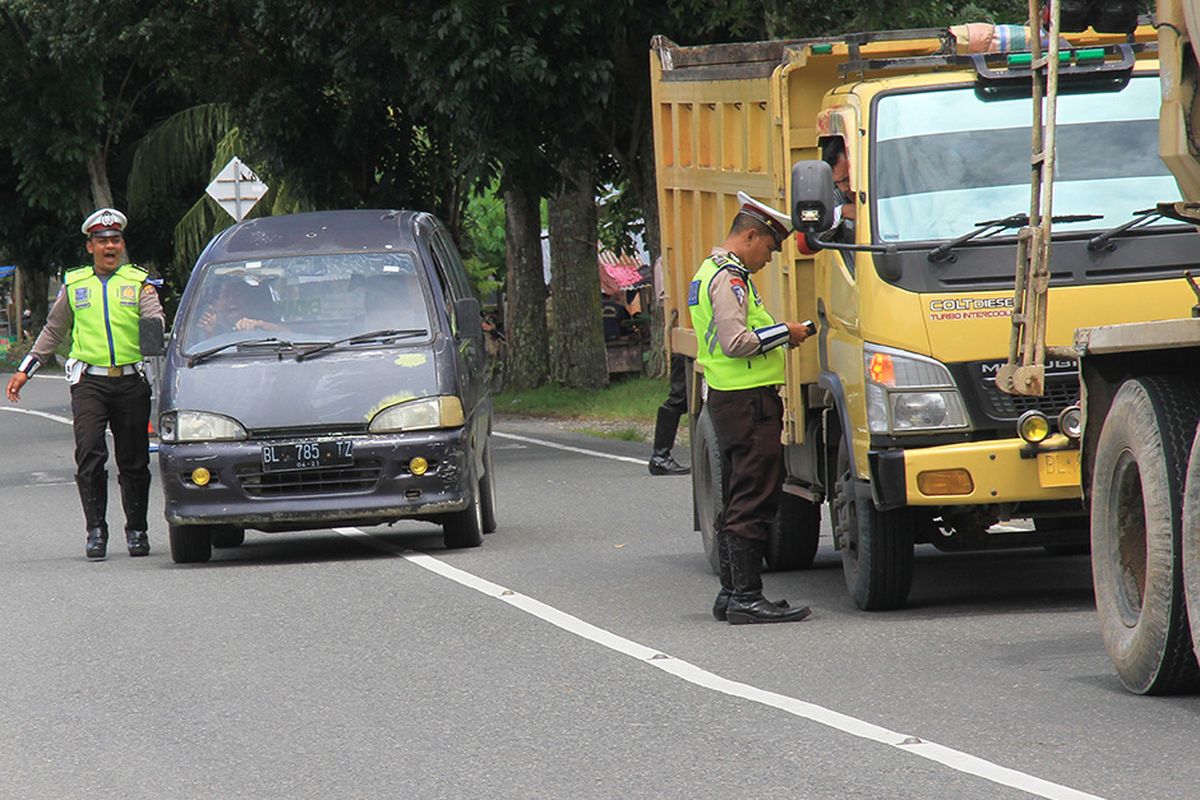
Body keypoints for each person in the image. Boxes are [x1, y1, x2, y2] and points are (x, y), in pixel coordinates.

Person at [5, 208, 165, 560]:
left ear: (122, 245)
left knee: (134, 459)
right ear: (90, 246)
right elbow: (53, 330)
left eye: (115, 240)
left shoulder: (138, 282)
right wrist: (25, 369)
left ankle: (137, 529)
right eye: (102, 241)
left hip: (130, 381)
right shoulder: (75, 284)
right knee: (90, 453)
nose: (110, 246)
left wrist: (153, 325)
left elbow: (154, 321)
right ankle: (96, 531)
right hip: (89, 382)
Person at [688, 191, 814, 625]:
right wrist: (788, 332)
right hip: (747, 401)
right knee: (754, 495)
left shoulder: (712, 272)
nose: (770, 257)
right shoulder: (730, 278)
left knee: (738, 494)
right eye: (770, 246)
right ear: (750, 235)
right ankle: (745, 594)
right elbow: (736, 341)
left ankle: (732, 592)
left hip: (731, 398)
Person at [648, 255, 689, 476]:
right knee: (679, 396)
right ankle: (660, 455)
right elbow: (667, 300)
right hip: (683, 331)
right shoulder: (666, 261)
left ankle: (661, 455)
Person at [822, 137, 856, 241]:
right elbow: (814, 235)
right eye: (838, 183)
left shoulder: (885, 191)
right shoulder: (837, 196)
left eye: (847, 179)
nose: (844, 188)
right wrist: (842, 211)